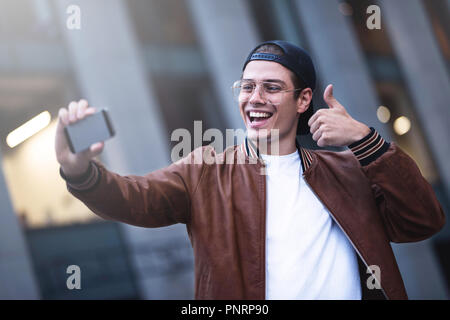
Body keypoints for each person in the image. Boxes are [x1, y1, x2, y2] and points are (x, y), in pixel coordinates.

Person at [55, 40, 445, 300]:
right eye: (247, 86)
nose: (254, 99)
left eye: (271, 87)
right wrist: (79, 170)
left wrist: (366, 139)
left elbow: (423, 220)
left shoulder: (348, 170)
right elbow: (132, 199)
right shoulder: (206, 170)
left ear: (304, 99)